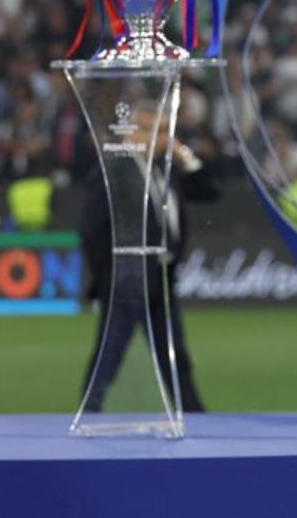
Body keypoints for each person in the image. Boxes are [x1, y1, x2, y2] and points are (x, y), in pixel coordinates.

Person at [78, 122, 218, 414]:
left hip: (162, 279)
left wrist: (185, 155)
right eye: (158, 130)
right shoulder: (115, 170)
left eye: (167, 131)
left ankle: (194, 415)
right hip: (127, 281)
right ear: (133, 133)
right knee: (110, 353)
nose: (165, 138)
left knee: (174, 355)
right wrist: (110, 278)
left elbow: (209, 192)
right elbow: (91, 229)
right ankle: (89, 411)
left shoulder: (165, 170)